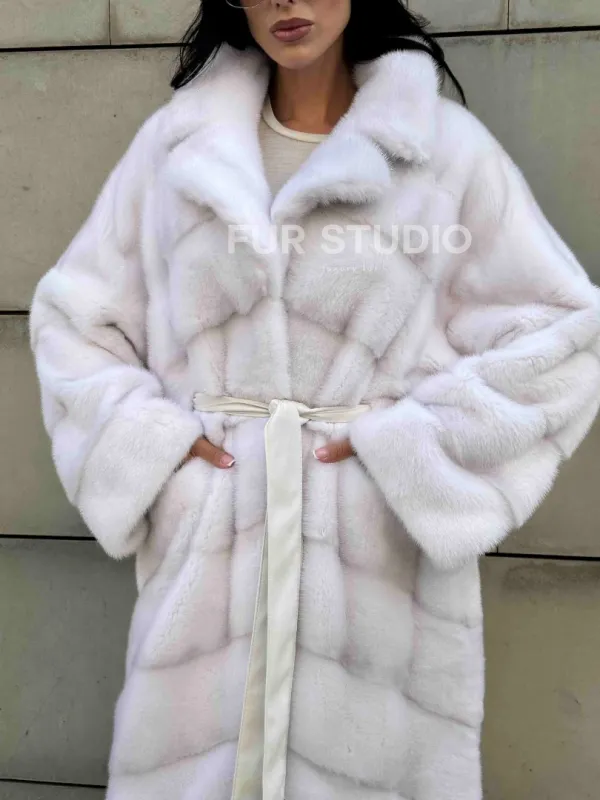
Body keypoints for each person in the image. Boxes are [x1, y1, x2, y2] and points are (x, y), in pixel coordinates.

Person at [28, 0, 600, 798]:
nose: (287, 2)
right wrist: (162, 451)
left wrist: (406, 453)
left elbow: (562, 333)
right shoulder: (177, 150)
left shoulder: (441, 151)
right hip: (209, 572)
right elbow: (75, 323)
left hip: (376, 582)